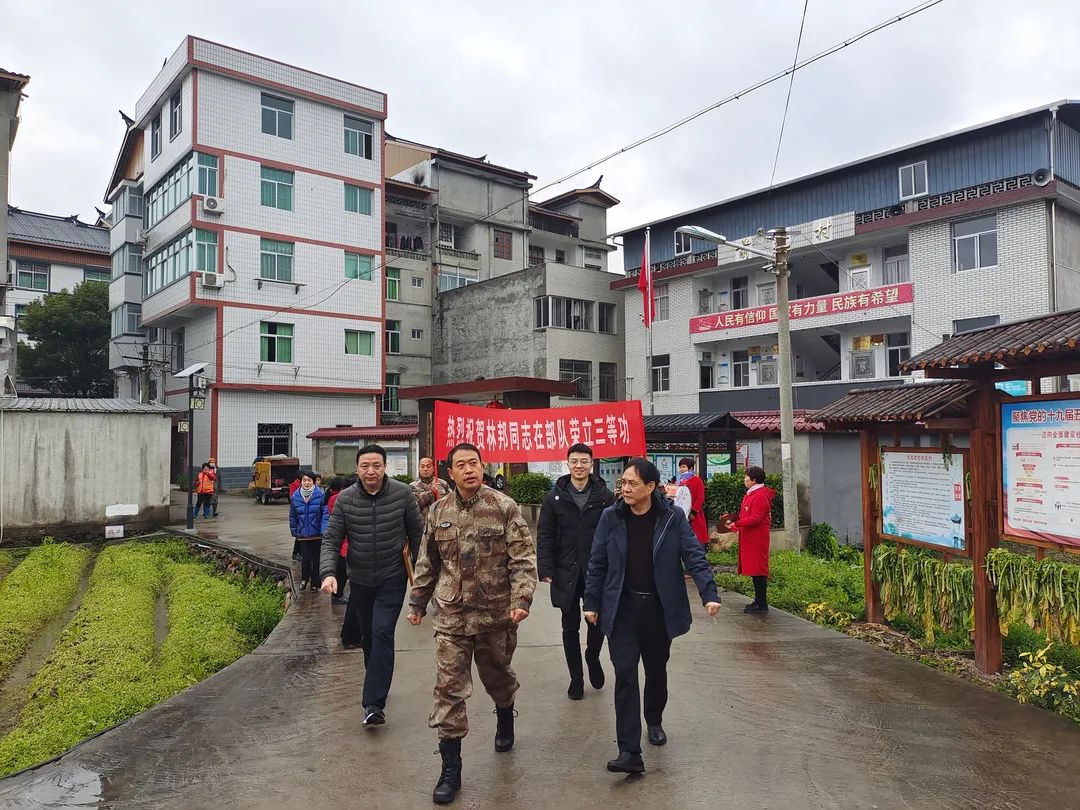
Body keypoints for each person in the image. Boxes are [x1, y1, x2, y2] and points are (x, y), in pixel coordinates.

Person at [407, 442, 536, 805]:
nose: (468, 469)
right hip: (451, 615)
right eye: (460, 465)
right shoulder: (437, 511)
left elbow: (522, 559)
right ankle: (451, 770)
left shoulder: (503, 506)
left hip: (496, 614)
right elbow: (427, 562)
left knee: (497, 674)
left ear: (482, 466)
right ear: (450, 473)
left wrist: (521, 600)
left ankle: (505, 712)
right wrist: (418, 601)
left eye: (474, 463)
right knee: (448, 688)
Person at [585, 457, 721, 775]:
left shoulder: (671, 517)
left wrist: (709, 593)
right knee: (626, 675)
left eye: (632, 483)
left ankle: (655, 719)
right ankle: (629, 750)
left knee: (656, 672)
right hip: (622, 610)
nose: (625, 488)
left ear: (650, 487)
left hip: (658, 611)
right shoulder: (611, 517)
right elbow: (597, 561)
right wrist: (591, 601)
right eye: (623, 483)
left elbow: (693, 555)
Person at [320, 445, 423, 727]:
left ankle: (373, 703)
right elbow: (331, 539)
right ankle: (376, 676)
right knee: (369, 638)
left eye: (376, 465)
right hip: (361, 581)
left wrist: (424, 578)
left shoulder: (403, 494)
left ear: (385, 467)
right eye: (365, 466)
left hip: (392, 579)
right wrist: (329, 573)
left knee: (382, 633)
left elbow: (418, 535)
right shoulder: (345, 499)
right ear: (357, 469)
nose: (371, 471)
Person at [537, 443, 614, 700]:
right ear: (567, 464)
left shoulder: (605, 496)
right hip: (564, 571)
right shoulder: (554, 497)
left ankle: (592, 657)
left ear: (591, 464)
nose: (579, 466)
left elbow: (615, 534)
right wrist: (545, 568)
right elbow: (545, 534)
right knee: (569, 626)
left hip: (596, 570)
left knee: (597, 622)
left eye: (584, 461)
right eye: (574, 461)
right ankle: (576, 678)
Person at [723, 466, 776, 613]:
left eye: (746, 477)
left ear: (753, 480)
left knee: (759, 572)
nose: (744, 480)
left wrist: (737, 523)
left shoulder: (759, 496)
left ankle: (762, 604)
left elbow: (756, 518)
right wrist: (734, 524)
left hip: (757, 539)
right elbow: (747, 518)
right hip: (750, 538)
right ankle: (758, 601)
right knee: (755, 571)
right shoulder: (752, 494)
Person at [289, 471, 329, 591]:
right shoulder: (295, 496)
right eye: (304, 480)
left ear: (314, 482)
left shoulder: (321, 495)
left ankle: (315, 583)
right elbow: (293, 516)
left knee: (316, 560)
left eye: (309, 480)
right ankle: (304, 579)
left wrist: (324, 530)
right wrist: (295, 531)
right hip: (303, 535)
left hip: (317, 534)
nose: (306, 483)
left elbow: (325, 515)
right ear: (301, 481)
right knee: (305, 559)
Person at [325, 477, 349, 606]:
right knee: (341, 571)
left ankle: (338, 594)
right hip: (342, 541)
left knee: (342, 570)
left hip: (343, 541)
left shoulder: (333, 497)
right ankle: (337, 594)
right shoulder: (337, 499)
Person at [677, 457, 709, 547]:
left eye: (684, 467)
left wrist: (693, 512)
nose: (681, 469)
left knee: (697, 540)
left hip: (694, 515)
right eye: (680, 467)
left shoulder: (697, 480)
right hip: (682, 514)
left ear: (690, 468)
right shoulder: (680, 481)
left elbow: (700, 498)